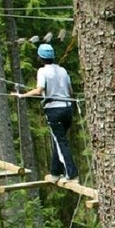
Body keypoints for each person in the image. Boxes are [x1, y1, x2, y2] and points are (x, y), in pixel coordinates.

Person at [13, 43, 77, 181]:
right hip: (67, 109)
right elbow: (70, 91)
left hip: (54, 110)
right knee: (58, 140)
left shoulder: (42, 71)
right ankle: (55, 172)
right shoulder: (62, 70)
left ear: (40, 58)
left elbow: (39, 90)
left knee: (60, 142)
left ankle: (71, 174)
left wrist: (22, 95)